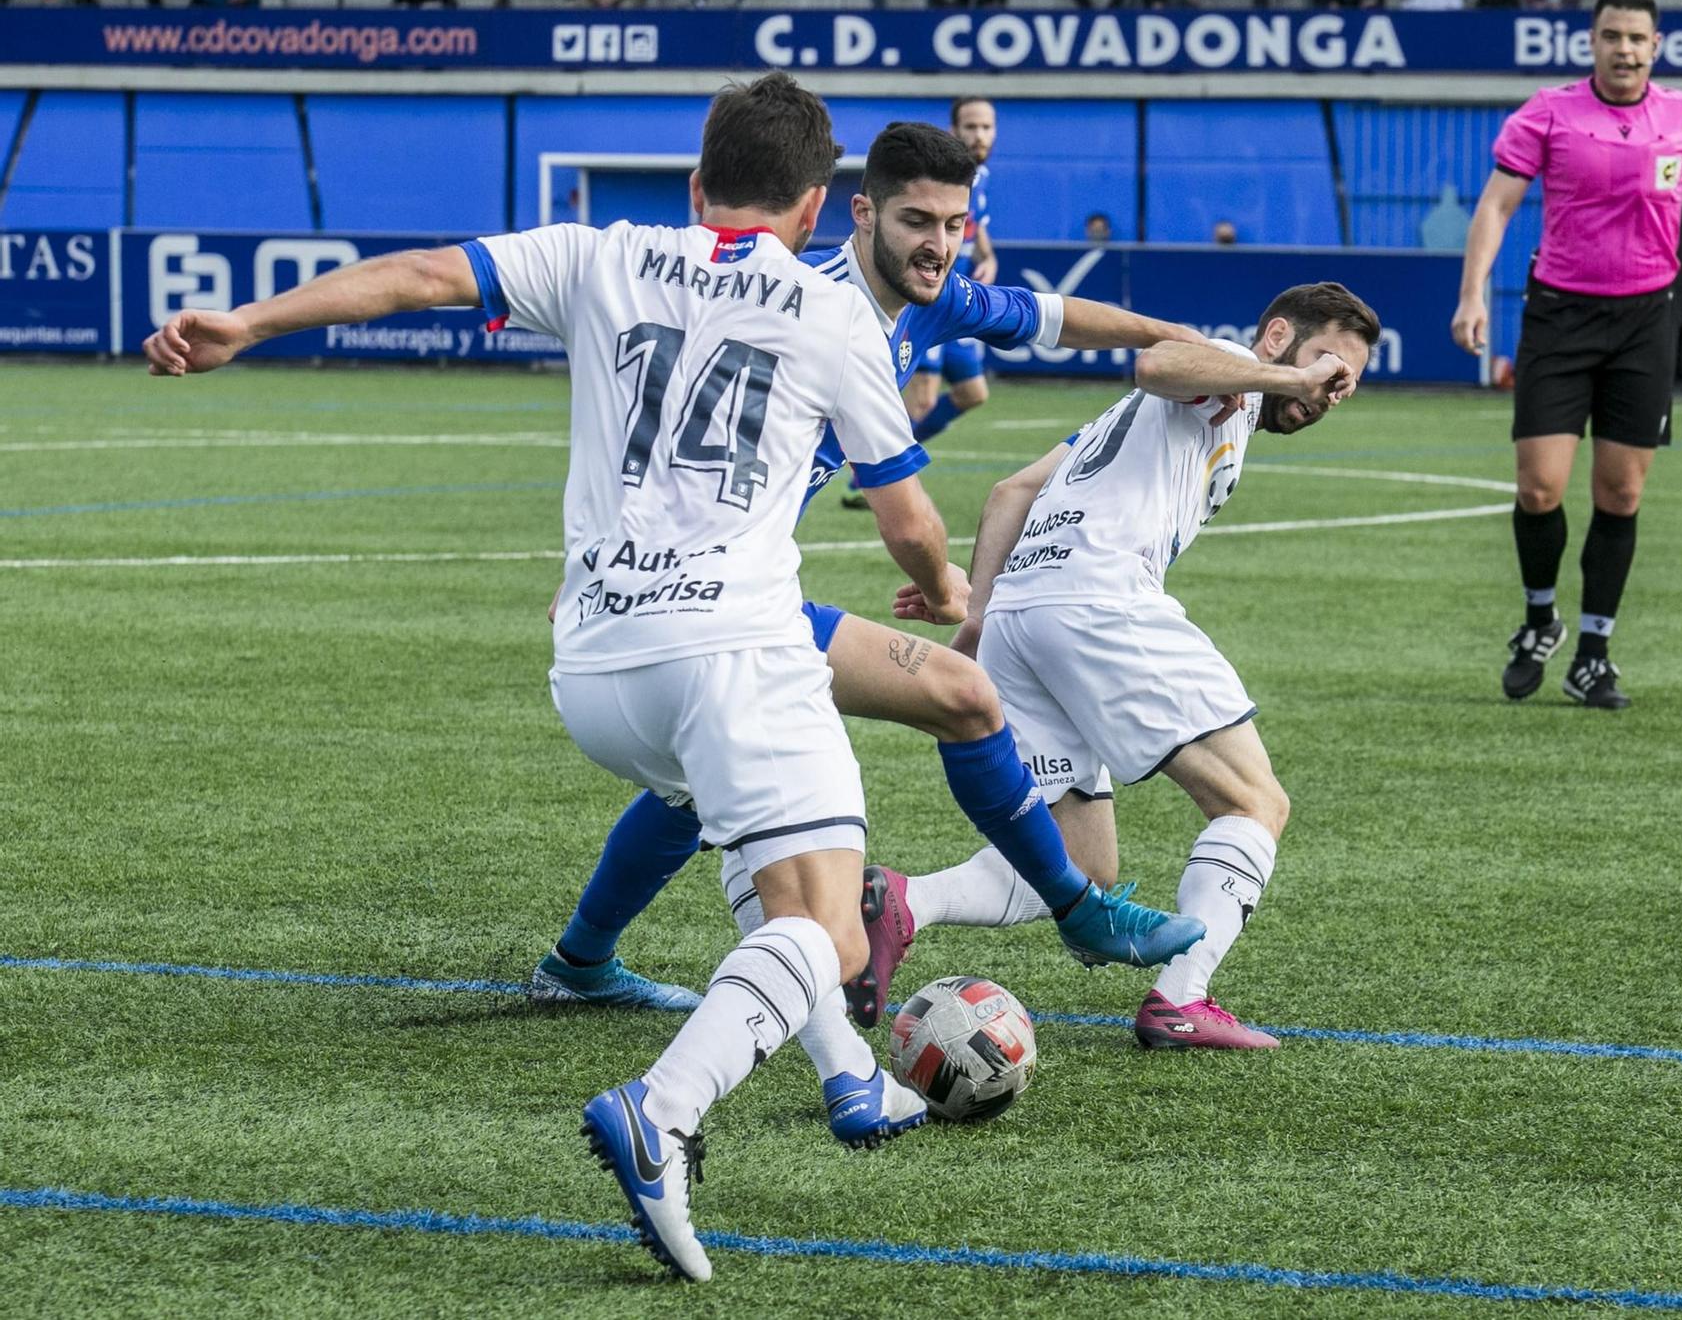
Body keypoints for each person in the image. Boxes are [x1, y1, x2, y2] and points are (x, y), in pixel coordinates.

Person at [137, 74, 966, 1284]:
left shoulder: (601, 252)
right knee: (825, 923)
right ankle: (662, 1110)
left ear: (694, 187)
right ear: (811, 206)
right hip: (729, 652)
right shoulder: (831, 314)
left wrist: (247, 325)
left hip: (593, 669)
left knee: (755, 842)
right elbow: (903, 517)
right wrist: (942, 592)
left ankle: (849, 1075)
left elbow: (421, 273)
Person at [529, 121, 1214, 1147]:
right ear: (856, 214)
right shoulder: (809, 303)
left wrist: (1187, 344)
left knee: (687, 788)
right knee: (955, 698)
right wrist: (937, 578)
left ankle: (581, 962)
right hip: (709, 602)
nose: (938, 243)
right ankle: (1071, 911)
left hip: (717, 598)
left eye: (953, 223)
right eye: (915, 221)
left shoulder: (932, 299)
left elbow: (1060, 317)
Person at [875, 285, 1376, 1051]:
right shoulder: (1236, 372)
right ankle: (1183, 998)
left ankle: (909, 901)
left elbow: (1013, 490)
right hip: (1100, 598)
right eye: (1330, 369)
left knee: (1083, 867)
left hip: (1023, 614)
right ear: (1277, 336)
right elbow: (1156, 360)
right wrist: (1284, 378)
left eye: (1346, 386)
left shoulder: (1169, 412)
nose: (1330, 394)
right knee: (1255, 801)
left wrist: (979, 619)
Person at [1451, 0, 1682, 712]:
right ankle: (1540, 619)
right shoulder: (1548, 111)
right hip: (1559, 316)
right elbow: (1497, 205)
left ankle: (1593, 655)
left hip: (1644, 321)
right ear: (1590, 42)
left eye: (1637, 38)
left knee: (1620, 491)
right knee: (1539, 487)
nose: (1624, 49)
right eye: (1611, 36)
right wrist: (1473, 294)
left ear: (1656, 46)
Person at [883, 96, 1002, 484]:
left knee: (973, 392)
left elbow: (976, 228)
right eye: (971, 127)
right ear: (954, 131)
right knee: (923, 397)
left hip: (957, 301)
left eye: (986, 127)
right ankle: (877, 479)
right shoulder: (936, 181)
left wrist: (989, 257)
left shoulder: (980, 179)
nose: (980, 135)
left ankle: (878, 470)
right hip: (929, 298)